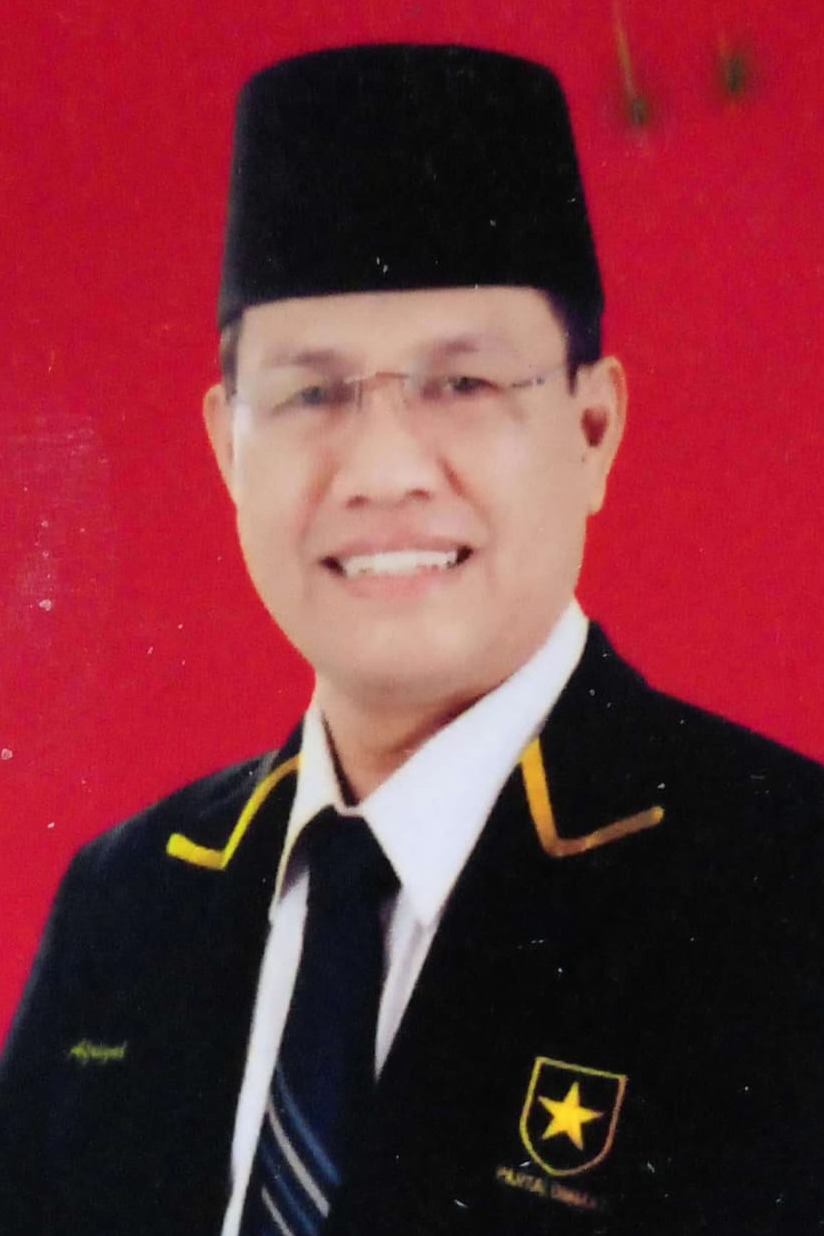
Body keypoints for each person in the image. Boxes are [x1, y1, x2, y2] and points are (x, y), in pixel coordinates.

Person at [1, 43, 823, 1236]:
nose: (382, 471)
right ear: (228, 448)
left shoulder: (782, 893)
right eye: (310, 394)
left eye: (463, 383)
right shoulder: (127, 905)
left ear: (592, 428)